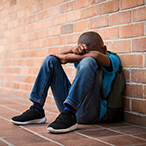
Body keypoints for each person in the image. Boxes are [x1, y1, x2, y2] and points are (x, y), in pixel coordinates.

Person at [11, 31, 120, 133]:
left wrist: (68, 57)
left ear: (104, 49)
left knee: (89, 61)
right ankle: (37, 109)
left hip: (91, 113)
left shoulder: (112, 59)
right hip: (69, 109)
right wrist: (72, 49)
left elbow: (95, 56)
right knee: (50, 60)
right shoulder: (81, 58)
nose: (82, 57)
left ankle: (69, 114)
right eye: (82, 54)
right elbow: (55, 55)